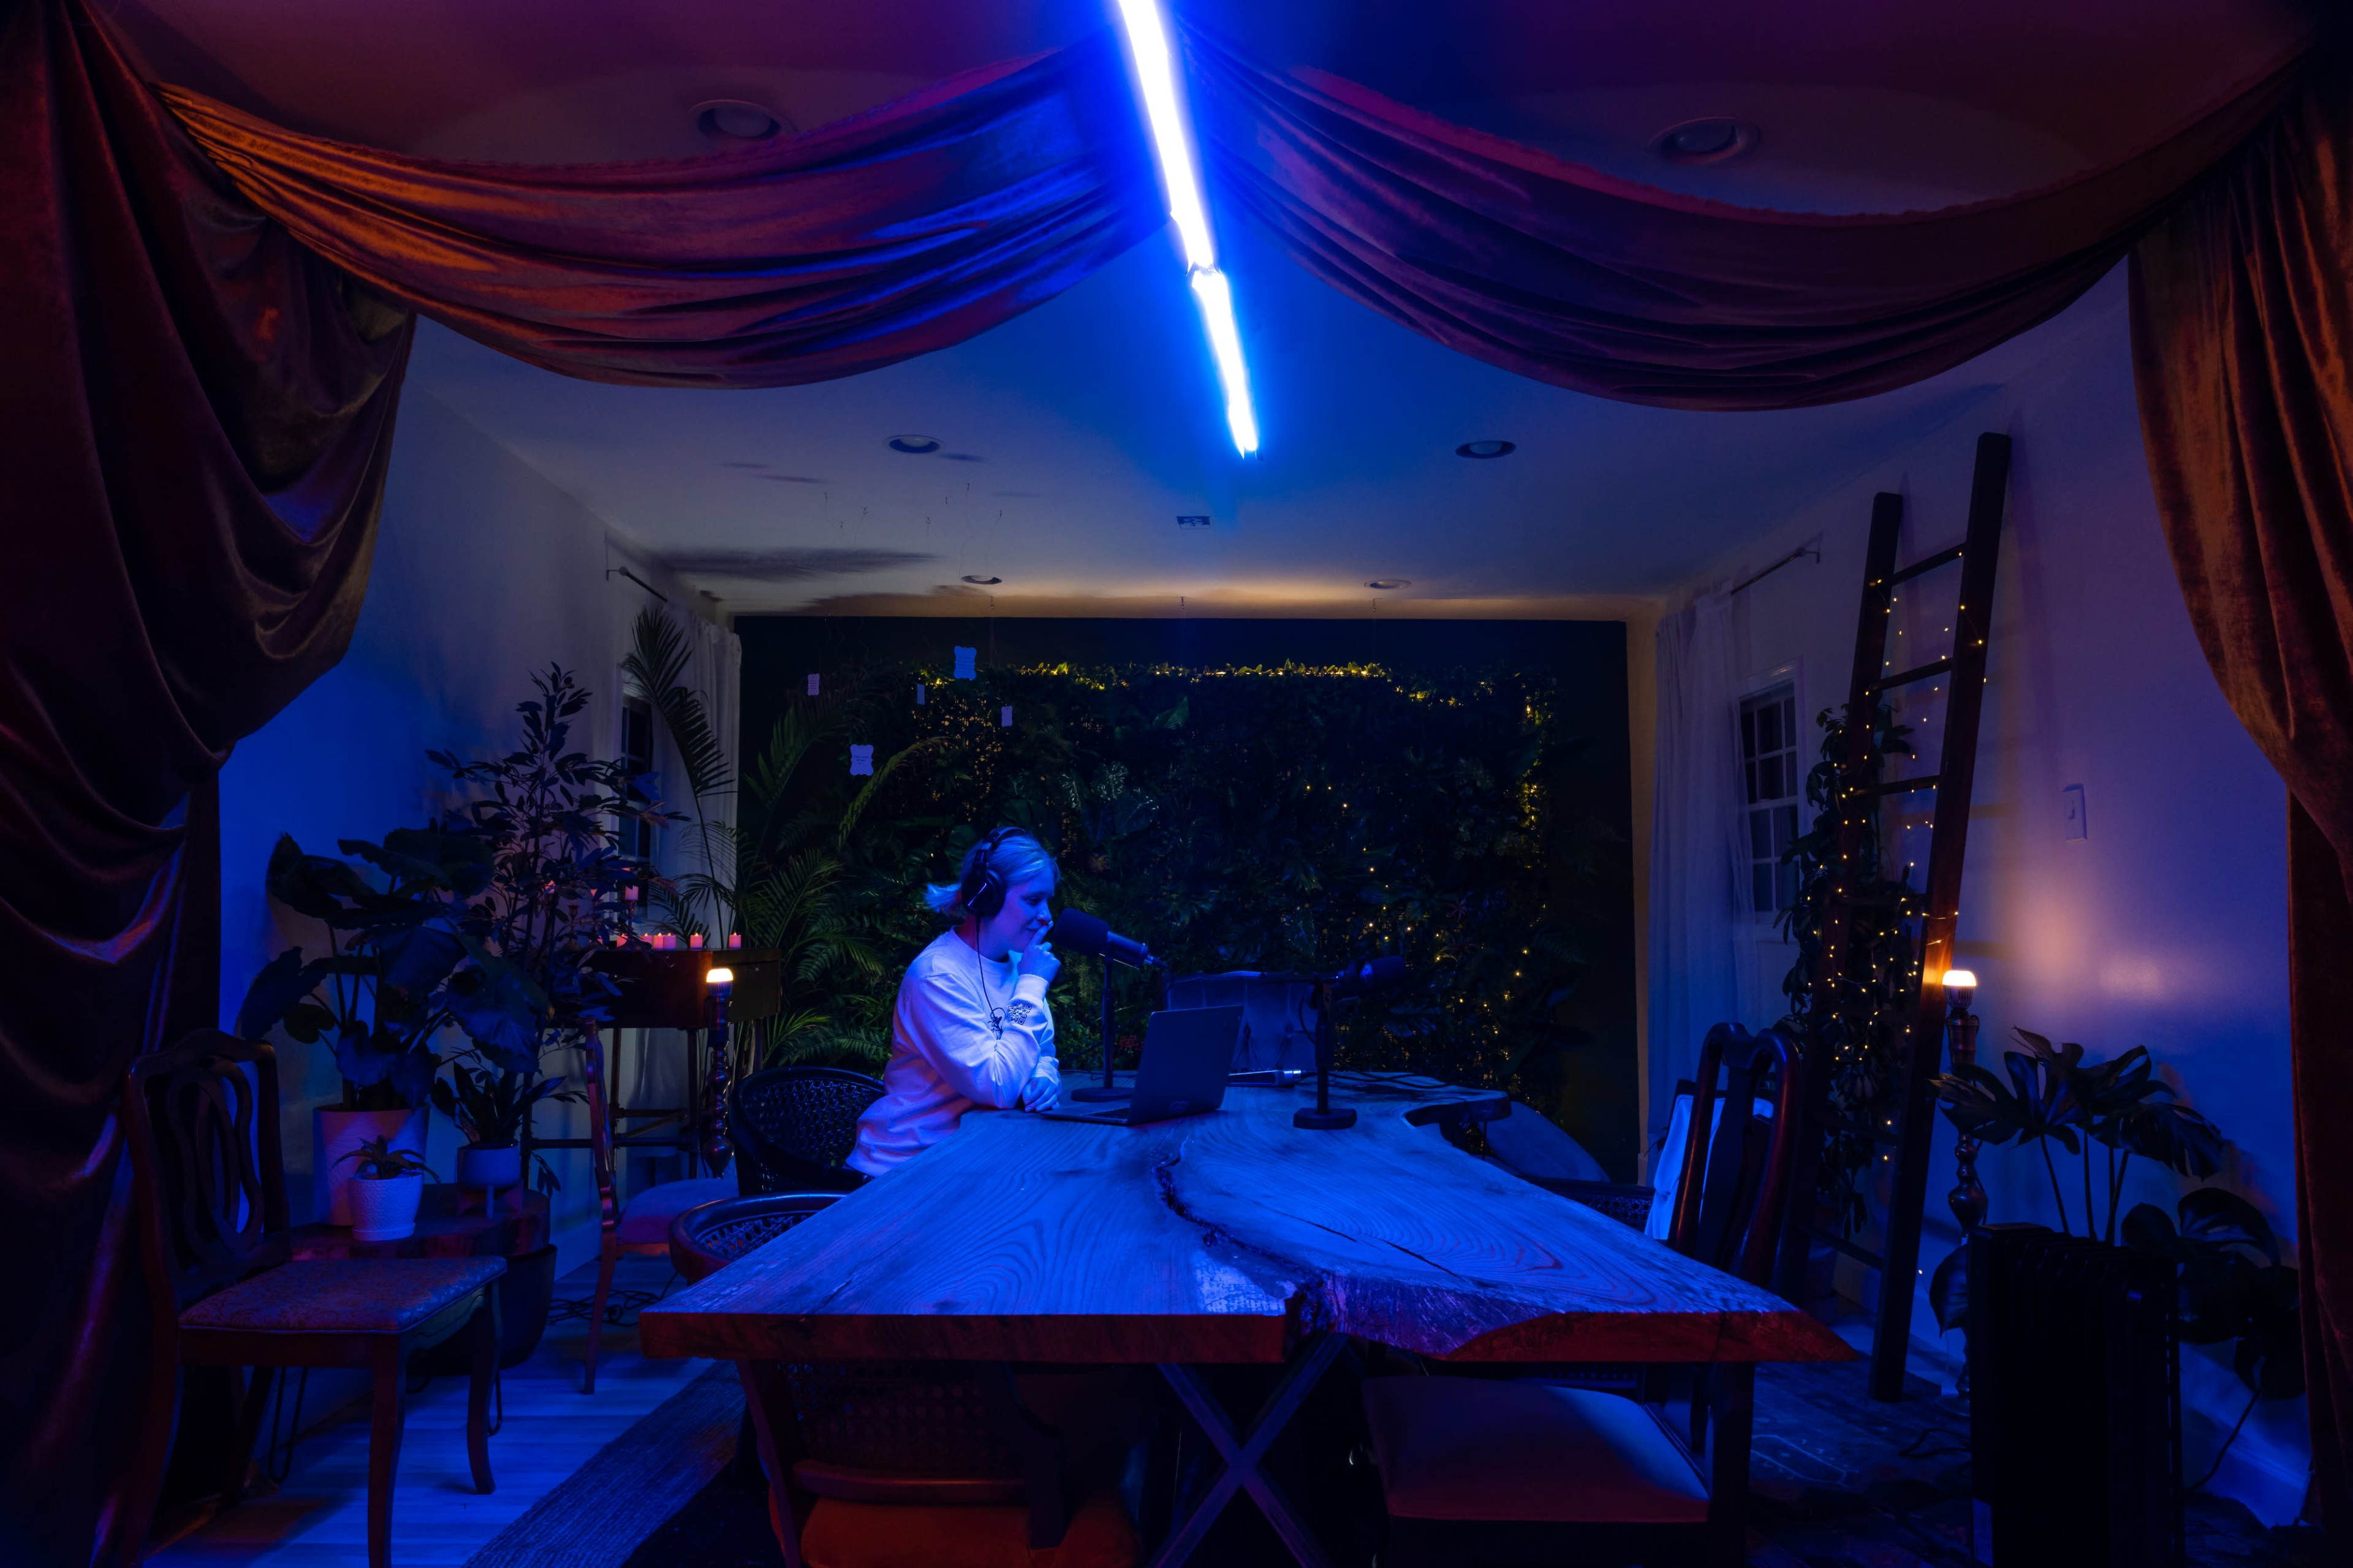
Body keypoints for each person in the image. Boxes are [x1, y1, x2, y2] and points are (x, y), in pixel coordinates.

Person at [847, 827, 1064, 1176]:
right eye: (1033, 900)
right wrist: (1032, 985)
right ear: (986, 896)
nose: (1047, 916)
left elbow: (1042, 1052)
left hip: (967, 1158)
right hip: (903, 1170)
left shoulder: (1016, 966)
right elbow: (997, 1086)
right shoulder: (938, 976)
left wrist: (1042, 1077)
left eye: (1048, 900)